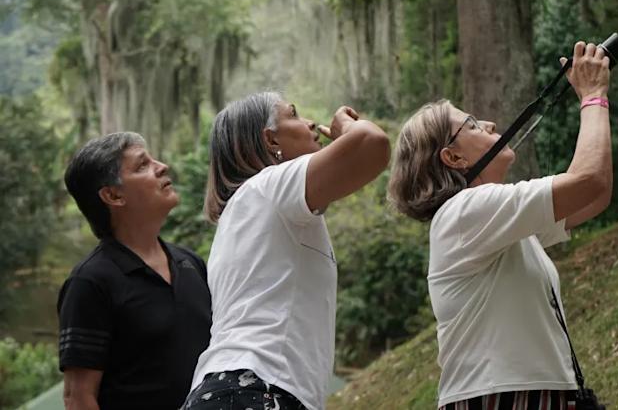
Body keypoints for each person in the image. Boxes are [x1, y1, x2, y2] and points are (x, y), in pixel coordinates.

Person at [388, 41, 612, 410]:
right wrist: (593, 97)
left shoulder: (495, 223)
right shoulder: (464, 213)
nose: (490, 124)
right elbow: (590, 181)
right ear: (453, 157)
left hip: (534, 394)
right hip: (497, 397)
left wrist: (594, 99)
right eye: (472, 124)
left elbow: (594, 195)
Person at [185, 92, 390, 410]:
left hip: (234, 389)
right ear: (270, 140)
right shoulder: (268, 187)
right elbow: (371, 144)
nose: (310, 123)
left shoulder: (248, 209)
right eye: (294, 115)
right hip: (255, 387)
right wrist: (346, 126)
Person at [58, 132, 212, 410]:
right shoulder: (90, 282)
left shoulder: (190, 263)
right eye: (142, 165)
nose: (162, 166)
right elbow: (78, 397)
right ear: (113, 195)